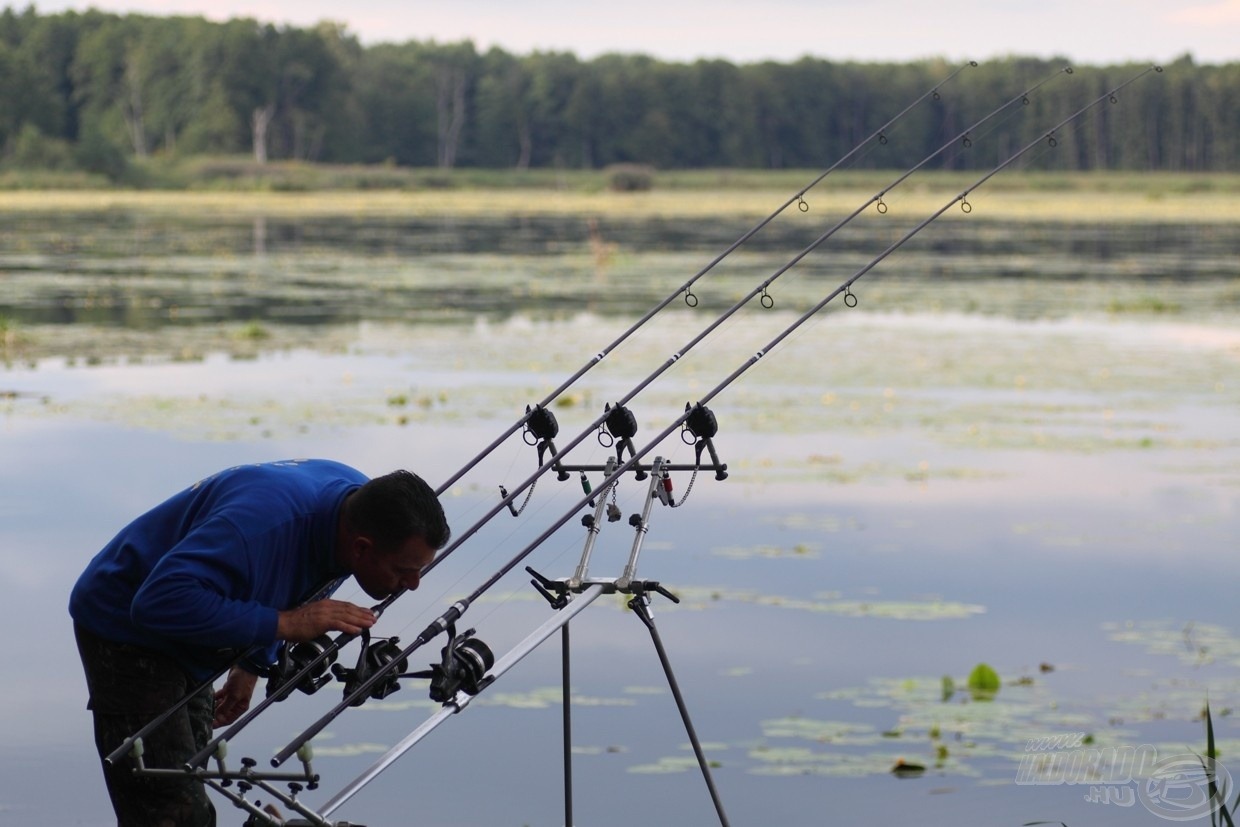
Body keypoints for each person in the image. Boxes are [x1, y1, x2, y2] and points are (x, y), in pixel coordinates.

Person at [69, 459, 451, 826]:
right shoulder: (260, 528)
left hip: (192, 619)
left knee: (191, 766)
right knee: (171, 807)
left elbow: (287, 580)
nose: (414, 584)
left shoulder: (356, 511)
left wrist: (251, 664)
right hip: (125, 626)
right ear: (361, 548)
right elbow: (155, 601)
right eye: (404, 571)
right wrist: (284, 623)